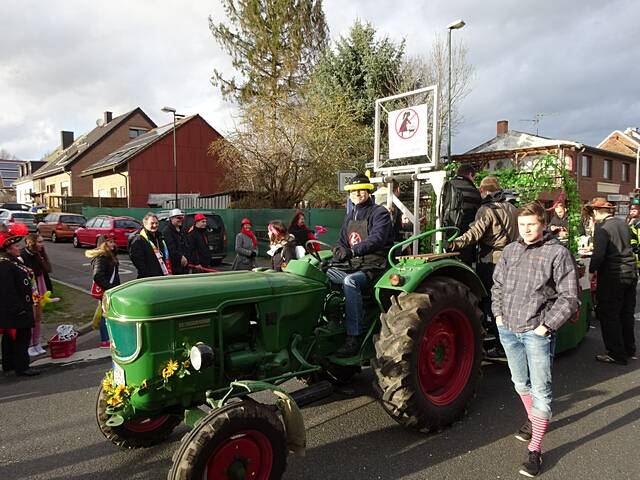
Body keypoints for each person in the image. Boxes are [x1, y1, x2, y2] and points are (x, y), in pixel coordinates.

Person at [492, 202, 579, 477]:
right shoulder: (510, 250)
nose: (526, 230)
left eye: (531, 224)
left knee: (541, 390)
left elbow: (569, 296)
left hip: (536, 332)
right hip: (509, 328)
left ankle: (535, 449)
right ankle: (533, 419)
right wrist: (498, 316)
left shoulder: (557, 253)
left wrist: (546, 326)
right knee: (520, 382)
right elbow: (498, 286)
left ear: (543, 223)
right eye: (522, 225)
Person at [449, 175, 518, 359]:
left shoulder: (486, 209)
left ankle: (499, 345)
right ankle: (511, 344)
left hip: (491, 261)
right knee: (507, 302)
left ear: (482, 191)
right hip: (512, 259)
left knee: (491, 303)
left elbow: (474, 234)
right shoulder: (512, 208)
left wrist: (454, 243)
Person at [327, 173, 393, 357]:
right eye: (353, 191)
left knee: (350, 282)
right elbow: (342, 241)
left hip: (374, 267)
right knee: (324, 274)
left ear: (368, 191)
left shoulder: (379, 213)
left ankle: (354, 335)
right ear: (349, 195)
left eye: (360, 190)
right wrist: (338, 252)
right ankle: (331, 322)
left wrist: (353, 251)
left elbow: (377, 239)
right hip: (354, 264)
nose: (357, 193)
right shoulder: (350, 216)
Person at [586, 197, 637, 365]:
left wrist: (592, 270)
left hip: (613, 275)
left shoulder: (603, 228)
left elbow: (599, 255)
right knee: (626, 313)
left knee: (609, 314)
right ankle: (629, 348)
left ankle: (616, 353)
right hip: (630, 272)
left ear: (595, 211)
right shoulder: (622, 223)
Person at [0, 223, 40, 376]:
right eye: (16, 246)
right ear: (8, 249)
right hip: (16, 310)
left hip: (19, 307)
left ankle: (10, 364)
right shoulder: (5, 265)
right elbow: (8, 290)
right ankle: (21, 366)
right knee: (21, 337)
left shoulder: (13, 262)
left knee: (12, 337)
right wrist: (19, 308)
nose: (19, 248)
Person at [85, 235, 120, 348]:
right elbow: (97, 276)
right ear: (103, 244)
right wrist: (109, 287)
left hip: (110, 289)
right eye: (109, 242)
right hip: (107, 291)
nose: (113, 244)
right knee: (105, 315)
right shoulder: (102, 258)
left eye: (113, 242)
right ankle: (105, 339)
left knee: (106, 313)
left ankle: (108, 337)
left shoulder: (109, 256)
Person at [21, 233, 52, 356]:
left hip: (39, 286)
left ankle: (36, 342)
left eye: (42, 241)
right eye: (39, 242)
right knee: (32, 318)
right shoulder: (24, 256)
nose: (42, 244)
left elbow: (45, 273)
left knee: (38, 317)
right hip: (31, 289)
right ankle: (29, 344)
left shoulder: (39, 255)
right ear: (31, 243)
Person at [444, 165, 482, 264]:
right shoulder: (474, 192)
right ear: (470, 175)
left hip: (444, 236)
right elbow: (478, 218)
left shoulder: (445, 186)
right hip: (465, 241)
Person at [129, 212, 171, 278]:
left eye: (156, 223)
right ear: (145, 224)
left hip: (162, 275)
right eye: (152, 223)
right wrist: (146, 274)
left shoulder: (160, 237)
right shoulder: (139, 239)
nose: (155, 225)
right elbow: (138, 261)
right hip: (148, 278)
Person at [160, 208, 190, 275]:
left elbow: (186, 245)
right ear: (171, 219)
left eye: (182, 218)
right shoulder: (167, 232)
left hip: (184, 266)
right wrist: (181, 257)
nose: (181, 220)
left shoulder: (182, 230)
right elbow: (171, 248)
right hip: (174, 266)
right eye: (178, 218)